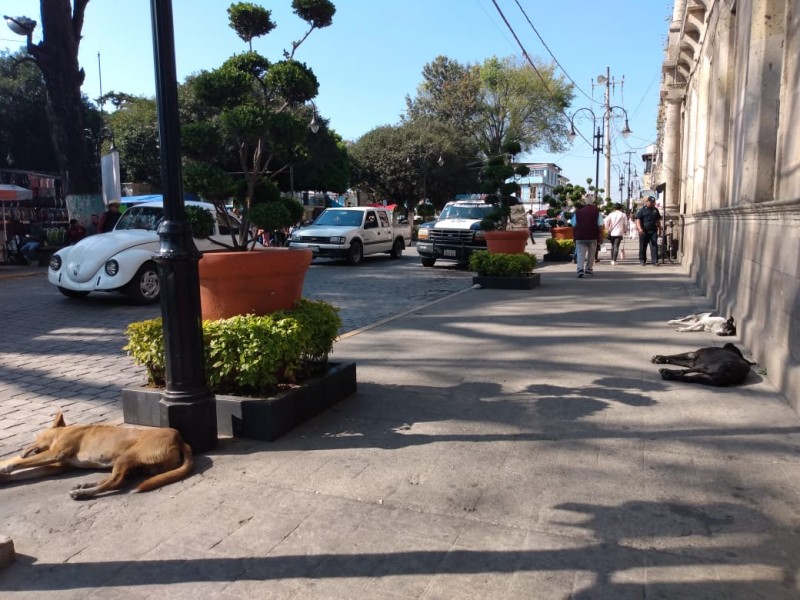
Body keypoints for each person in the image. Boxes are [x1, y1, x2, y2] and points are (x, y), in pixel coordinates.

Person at [570, 200, 604, 278]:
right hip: (593, 236)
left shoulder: (577, 212)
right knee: (591, 254)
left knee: (580, 253)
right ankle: (588, 269)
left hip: (580, 236)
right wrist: (601, 236)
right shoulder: (597, 212)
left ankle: (580, 269)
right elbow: (601, 226)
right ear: (592, 204)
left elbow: (573, 225)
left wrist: (574, 236)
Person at [636, 195, 662, 266]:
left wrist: (660, 228)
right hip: (644, 231)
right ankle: (642, 260)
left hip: (653, 231)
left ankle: (655, 260)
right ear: (647, 202)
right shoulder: (642, 210)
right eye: (650, 202)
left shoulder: (655, 210)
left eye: (653, 202)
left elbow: (658, 220)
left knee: (654, 246)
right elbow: (638, 220)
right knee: (643, 246)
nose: (652, 203)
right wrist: (640, 229)